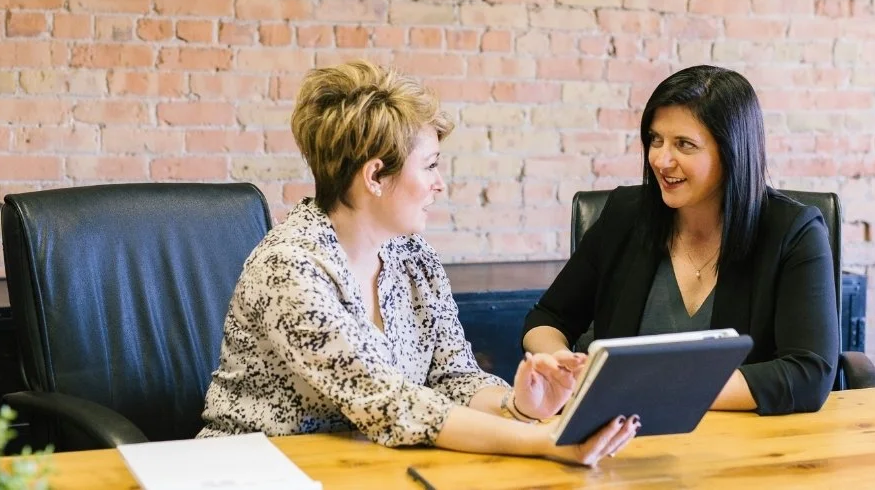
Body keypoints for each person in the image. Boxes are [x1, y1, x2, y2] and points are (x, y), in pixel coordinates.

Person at [199, 61, 638, 465]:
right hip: (254, 470)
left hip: (368, 466)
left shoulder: (413, 256)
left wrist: (520, 406)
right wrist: (545, 441)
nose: (439, 184)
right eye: (429, 166)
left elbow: (454, 377)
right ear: (374, 176)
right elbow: (390, 403)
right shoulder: (290, 268)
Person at [522, 65, 839, 415]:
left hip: (743, 444)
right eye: (656, 140)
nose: (661, 159)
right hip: (621, 439)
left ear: (732, 151)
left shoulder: (794, 232)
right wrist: (560, 363)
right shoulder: (625, 215)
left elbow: (809, 373)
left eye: (684, 145)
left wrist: (654, 389)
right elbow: (547, 318)